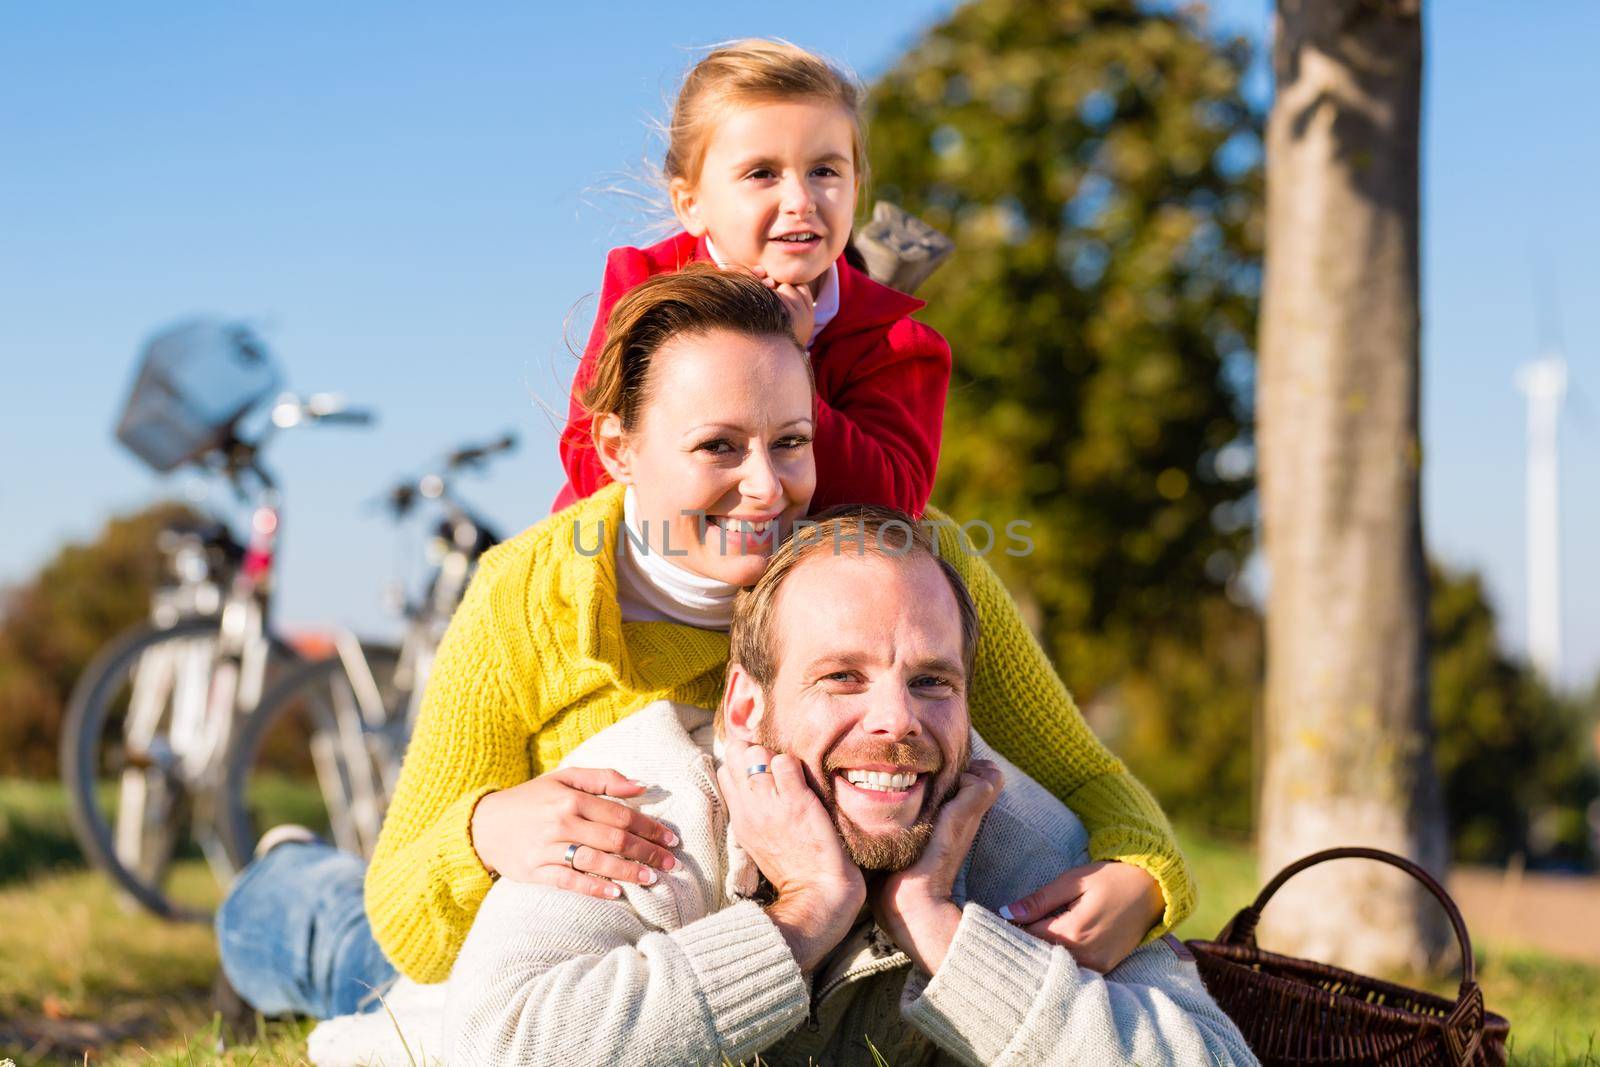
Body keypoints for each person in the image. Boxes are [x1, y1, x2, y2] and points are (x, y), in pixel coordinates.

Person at [304, 510, 1253, 1067]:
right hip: (411, 993)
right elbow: (494, 1047)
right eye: (842, 677)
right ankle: (290, 877)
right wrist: (801, 919)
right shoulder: (648, 808)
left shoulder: (999, 825)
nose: (898, 722)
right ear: (747, 709)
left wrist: (944, 931)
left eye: (932, 680)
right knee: (326, 939)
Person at [553, 38, 950, 516]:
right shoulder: (643, 287)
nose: (801, 200)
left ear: (855, 190)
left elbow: (890, 503)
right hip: (645, 564)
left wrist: (792, 363)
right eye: (763, 173)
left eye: (824, 170)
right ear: (692, 204)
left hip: (804, 572)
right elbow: (589, 460)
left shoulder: (895, 342)